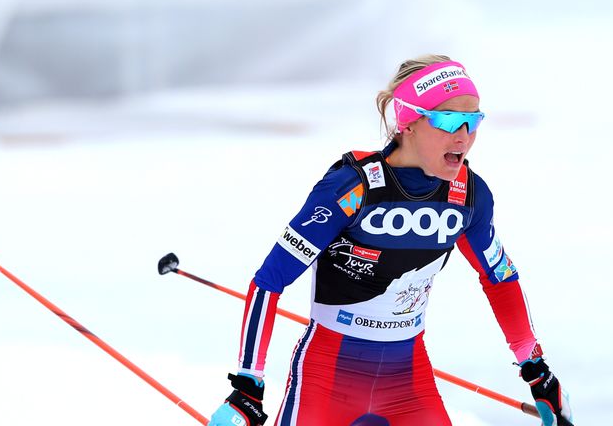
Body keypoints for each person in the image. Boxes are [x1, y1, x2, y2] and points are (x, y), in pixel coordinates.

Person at [208, 55, 574, 426]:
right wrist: (247, 384)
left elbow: (500, 278)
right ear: (408, 121)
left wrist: (536, 369)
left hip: (408, 382)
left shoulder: (468, 196)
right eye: (448, 120)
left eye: (474, 120)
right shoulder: (353, 188)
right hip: (328, 377)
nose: (464, 136)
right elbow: (269, 281)